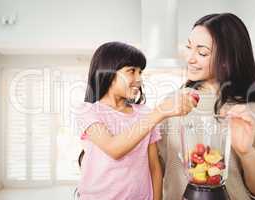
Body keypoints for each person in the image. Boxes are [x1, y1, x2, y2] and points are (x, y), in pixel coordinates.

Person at [158, 13, 255, 200]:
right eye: (189, 47)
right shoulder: (173, 103)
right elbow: (157, 170)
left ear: (227, 58)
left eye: (202, 52)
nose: (190, 58)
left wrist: (246, 154)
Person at [75, 41, 198, 200]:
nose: (138, 78)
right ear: (108, 72)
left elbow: (154, 167)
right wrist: (159, 112)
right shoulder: (89, 111)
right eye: (131, 71)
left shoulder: (144, 114)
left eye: (140, 72)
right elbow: (114, 149)